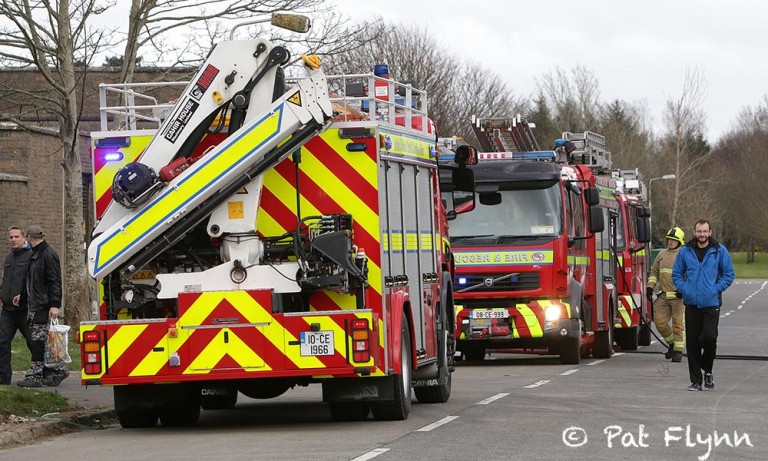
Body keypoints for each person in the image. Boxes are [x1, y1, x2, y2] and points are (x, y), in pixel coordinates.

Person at [672, 219, 734, 392]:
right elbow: (676, 274)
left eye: (705, 231)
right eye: (699, 231)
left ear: (710, 232)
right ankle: (696, 382)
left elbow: (729, 274)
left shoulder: (719, 250)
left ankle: (708, 370)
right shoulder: (686, 251)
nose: (702, 234)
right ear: (694, 232)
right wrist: (685, 290)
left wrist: (715, 289)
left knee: (709, 338)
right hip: (691, 304)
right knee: (692, 344)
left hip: (711, 303)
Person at [16, 225, 69, 388]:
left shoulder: (47, 255)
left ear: (29, 238)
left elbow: (54, 281)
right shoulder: (37, 254)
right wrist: (23, 297)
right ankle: (58, 369)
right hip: (38, 305)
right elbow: (32, 282)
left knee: (37, 341)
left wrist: (54, 305)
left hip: (43, 306)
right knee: (44, 342)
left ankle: (36, 375)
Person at [647, 227, 686, 362]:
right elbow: (654, 273)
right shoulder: (661, 254)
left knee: (678, 324)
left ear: (679, 242)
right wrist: (650, 287)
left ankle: (678, 352)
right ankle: (672, 344)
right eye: (669, 240)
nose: (670, 242)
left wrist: (683, 290)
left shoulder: (684, 255)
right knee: (660, 322)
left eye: (674, 240)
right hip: (663, 295)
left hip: (678, 297)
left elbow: (690, 274)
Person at [0, 226, 33, 385]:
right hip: (7, 310)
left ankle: (42, 372)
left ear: (24, 238)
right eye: (11, 237)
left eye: (16, 237)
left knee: (33, 342)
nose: (13, 240)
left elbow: (33, 282)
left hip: (25, 310)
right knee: (2, 342)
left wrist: (25, 298)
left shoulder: (30, 256)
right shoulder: (9, 258)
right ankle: (4, 377)